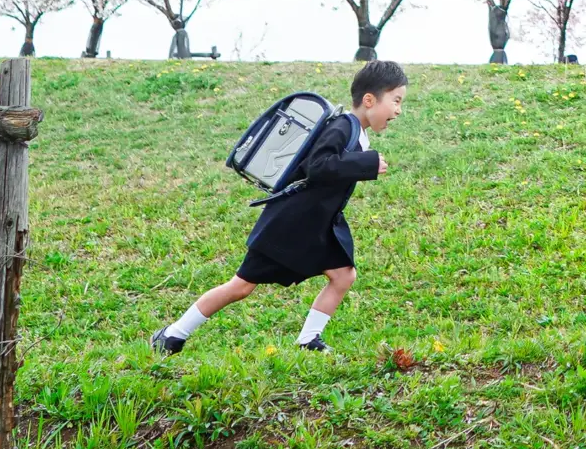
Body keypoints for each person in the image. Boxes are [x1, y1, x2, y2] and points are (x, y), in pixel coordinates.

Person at [152, 58, 406, 357]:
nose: (399, 110)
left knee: (343, 275)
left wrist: (365, 162)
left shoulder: (356, 133)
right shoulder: (342, 126)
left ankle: (309, 339)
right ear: (369, 99)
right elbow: (317, 166)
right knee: (241, 287)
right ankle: (171, 334)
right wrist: (366, 163)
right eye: (396, 100)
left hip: (315, 227)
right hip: (289, 226)